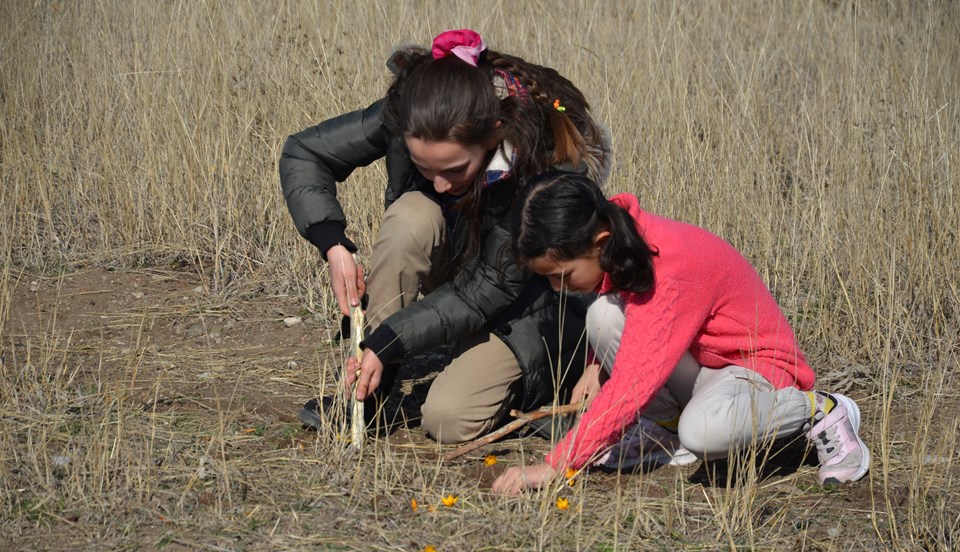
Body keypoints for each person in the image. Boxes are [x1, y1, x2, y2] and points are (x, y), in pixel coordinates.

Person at [279, 30, 611, 442]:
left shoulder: (538, 164)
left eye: (454, 170)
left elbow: (485, 290)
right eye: (424, 167)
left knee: (448, 419)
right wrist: (333, 244)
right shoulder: (410, 114)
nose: (438, 184)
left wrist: (389, 340)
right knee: (410, 218)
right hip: (464, 271)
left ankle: (549, 388)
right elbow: (305, 152)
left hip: (531, 304)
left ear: (494, 134)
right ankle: (371, 393)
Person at [491, 172, 871, 495]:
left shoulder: (666, 266)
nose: (558, 289)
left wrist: (557, 465)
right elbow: (634, 327)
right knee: (602, 317)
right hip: (703, 367)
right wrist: (595, 366)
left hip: (755, 370)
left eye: (563, 276)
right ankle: (664, 430)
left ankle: (821, 409)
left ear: (599, 243)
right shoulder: (625, 243)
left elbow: (634, 383)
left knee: (703, 433)